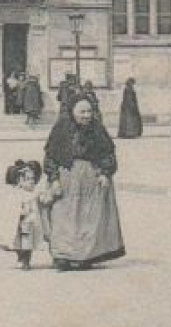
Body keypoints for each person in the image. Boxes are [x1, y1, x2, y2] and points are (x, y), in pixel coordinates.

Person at [43, 96, 126, 271]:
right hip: (66, 180)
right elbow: (50, 156)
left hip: (90, 181)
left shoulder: (97, 129)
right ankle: (62, 256)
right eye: (82, 111)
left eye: (89, 111)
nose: (86, 115)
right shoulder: (61, 129)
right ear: (72, 111)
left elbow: (108, 154)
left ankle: (83, 256)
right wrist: (54, 179)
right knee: (63, 217)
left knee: (88, 219)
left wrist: (105, 173)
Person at [1, 160, 48, 270]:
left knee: (28, 243)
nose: (31, 182)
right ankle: (20, 257)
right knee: (18, 243)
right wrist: (19, 212)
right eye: (27, 179)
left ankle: (26, 260)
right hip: (19, 223)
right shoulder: (17, 194)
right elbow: (11, 208)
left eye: (32, 179)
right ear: (19, 182)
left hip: (31, 223)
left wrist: (46, 198)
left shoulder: (35, 193)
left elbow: (42, 200)